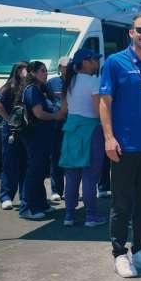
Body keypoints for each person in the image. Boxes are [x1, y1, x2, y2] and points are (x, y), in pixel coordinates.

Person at [99, 13, 141, 278]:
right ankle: (119, 254)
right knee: (121, 204)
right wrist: (108, 138)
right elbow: (105, 101)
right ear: (131, 32)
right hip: (123, 146)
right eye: (140, 30)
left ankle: (139, 250)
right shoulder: (114, 62)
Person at [59, 48, 107, 227]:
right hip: (91, 130)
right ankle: (90, 216)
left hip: (71, 129)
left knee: (71, 176)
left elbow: (63, 110)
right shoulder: (94, 81)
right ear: (85, 62)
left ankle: (69, 215)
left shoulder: (68, 81)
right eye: (95, 60)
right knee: (90, 177)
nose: (97, 63)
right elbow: (97, 109)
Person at [18, 61, 66, 219]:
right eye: (42, 71)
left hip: (45, 135)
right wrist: (55, 116)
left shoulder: (42, 88)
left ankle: (40, 204)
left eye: (46, 71)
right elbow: (38, 113)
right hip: (34, 135)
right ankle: (26, 208)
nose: (45, 73)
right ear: (32, 73)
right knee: (34, 170)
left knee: (41, 170)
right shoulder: (31, 90)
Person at [0, 61, 28, 210]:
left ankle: (25, 196)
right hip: (11, 131)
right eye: (23, 69)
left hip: (26, 131)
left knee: (25, 164)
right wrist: (8, 119)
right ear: (18, 71)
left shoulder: (28, 88)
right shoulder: (8, 87)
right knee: (10, 164)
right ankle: (6, 196)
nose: (26, 72)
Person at [46, 56, 69, 203]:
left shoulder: (77, 81)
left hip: (74, 125)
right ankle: (56, 190)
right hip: (57, 125)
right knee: (56, 158)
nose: (67, 69)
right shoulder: (52, 83)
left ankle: (70, 191)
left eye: (69, 66)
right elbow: (47, 100)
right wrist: (55, 111)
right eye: (64, 66)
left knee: (72, 160)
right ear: (59, 68)